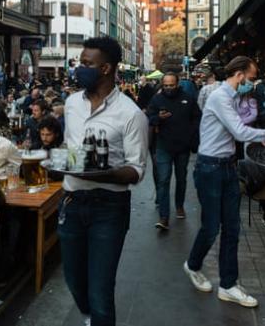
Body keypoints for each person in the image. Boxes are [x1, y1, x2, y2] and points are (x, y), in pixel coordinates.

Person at [183, 56, 265, 308]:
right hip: (210, 168)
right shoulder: (221, 97)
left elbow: (237, 131)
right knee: (211, 227)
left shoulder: (232, 98)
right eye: (252, 78)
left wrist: (258, 138)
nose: (253, 84)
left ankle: (228, 285)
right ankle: (192, 265)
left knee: (232, 228)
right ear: (240, 75)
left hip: (227, 166)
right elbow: (239, 131)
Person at [61, 37, 149, 326]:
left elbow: (136, 171)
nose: (79, 68)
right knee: (74, 279)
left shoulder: (131, 114)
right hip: (72, 203)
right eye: (80, 62)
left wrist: (104, 173)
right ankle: (91, 317)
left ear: (106, 68)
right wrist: (56, 161)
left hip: (108, 207)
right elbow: (69, 149)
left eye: (87, 64)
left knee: (100, 289)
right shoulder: (72, 103)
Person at [148, 72, 201, 228]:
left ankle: (179, 205)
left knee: (181, 178)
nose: (168, 88)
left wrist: (191, 136)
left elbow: (197, 118)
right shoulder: (157, 99)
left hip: (182, 147)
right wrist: (159, 118)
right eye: (165, 85)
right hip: (163, 145)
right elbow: (149, 117)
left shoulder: (188, 99)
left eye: (171, 85)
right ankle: (164, 216)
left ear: (177, 84)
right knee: (163, 180)